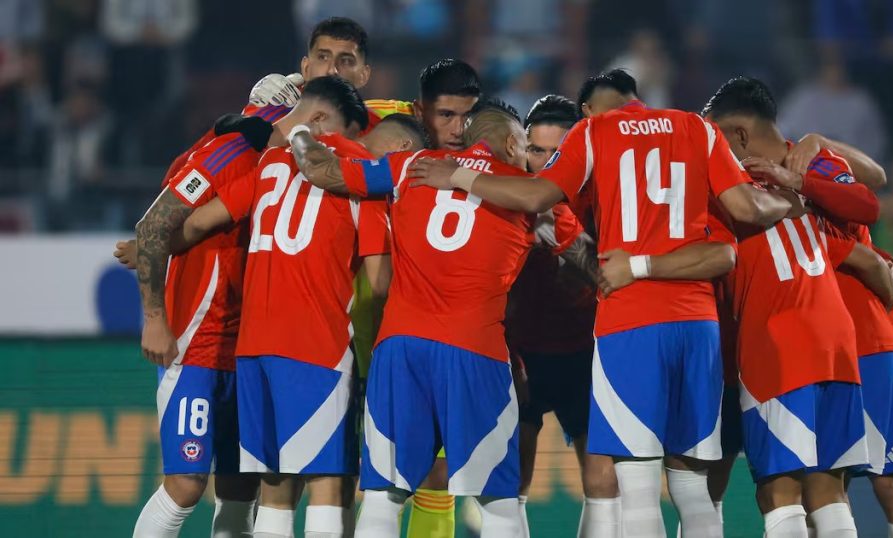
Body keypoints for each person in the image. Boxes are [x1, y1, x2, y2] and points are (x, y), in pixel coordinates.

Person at [407, 69, 794, 538]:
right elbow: (748, 212)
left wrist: (459, 174)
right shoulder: (698, 128)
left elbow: (536, 194)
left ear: (588, 110)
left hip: (629, 320)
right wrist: (792, 198)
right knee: (693, 487)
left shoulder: (594, 133)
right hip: (697, 322)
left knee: (636, 485)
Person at [171, 81, 425, 538]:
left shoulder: (270, 162)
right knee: (327, 484)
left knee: (275, 487)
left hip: (252, 349)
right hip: (315, 345)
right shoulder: (363, 176)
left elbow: (195, 222)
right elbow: (380, 281)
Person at [287, 99, 533, 537]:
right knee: (498, 503)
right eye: (527, 144)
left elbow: (320, 170)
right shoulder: (530, 190)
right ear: (511, 142)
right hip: (476, 349)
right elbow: (583, 250)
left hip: (400, 347)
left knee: (384, 500)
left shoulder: (412, 163)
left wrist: (298, 131)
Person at [702, 76, 893, 538]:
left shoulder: (731, 190)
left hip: (779, 342)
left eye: (712, 137)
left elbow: (869, 193)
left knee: (779, 492)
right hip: (837, 342)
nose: (708, 150)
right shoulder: (805, 184)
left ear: (736, 135)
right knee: (828, 489)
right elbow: (868, 198)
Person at [509, 94, 619, 536]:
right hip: (521, 356)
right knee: (511, 480)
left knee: (603, 480)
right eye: (536, 150)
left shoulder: (605, 200)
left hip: (585, 354)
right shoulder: (507, 196)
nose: (545, 162)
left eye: (558, 153)